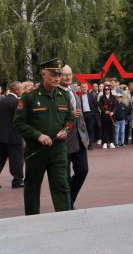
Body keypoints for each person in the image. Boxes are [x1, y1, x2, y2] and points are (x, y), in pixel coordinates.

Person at [13, 58, 72, 215]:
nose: (57, 78)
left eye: (59, 74)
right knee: (32, 187)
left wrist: (66, 130)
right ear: (43, 73)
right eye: (53, 74)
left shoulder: (63, 96)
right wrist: (37, 135)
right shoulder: (30, 97)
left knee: (62, 185)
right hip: (36, 150)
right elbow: (18, 123)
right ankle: (32, 220)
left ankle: (65, 218)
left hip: (58, 149)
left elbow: (70, 119)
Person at [59, 65, 89, 209]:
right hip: (63, 141)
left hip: (79, 139)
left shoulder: (73, 91)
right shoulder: (55, 93)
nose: (68, 77)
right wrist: (69, 115)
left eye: (70, 74)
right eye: (64, 74)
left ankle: (68, 200)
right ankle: (67, 204)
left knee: (83, 169)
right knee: (64, 176)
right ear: (58, 76)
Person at [0, 81, 24, 189]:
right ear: (16, 90)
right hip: (13, 136)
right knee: (16, 160)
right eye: (21, 89)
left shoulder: (2, 100)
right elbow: (19, 119)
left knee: (0, 159)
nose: (22, 91)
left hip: (1, 136)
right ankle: (17, 180)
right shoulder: (17, 102)